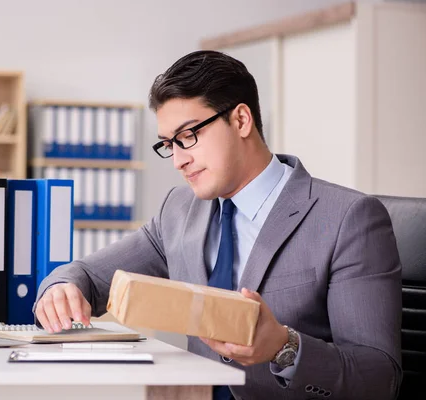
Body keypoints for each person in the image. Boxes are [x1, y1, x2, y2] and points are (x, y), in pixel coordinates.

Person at [33, 50, 402, 400]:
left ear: (241, 120)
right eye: (168, 144)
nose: (178, 160)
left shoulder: (347, 218)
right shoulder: (179, 210)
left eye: (188, 136)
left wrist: (283, 346)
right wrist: (62, 287)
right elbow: (88, 276)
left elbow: (378, 379)